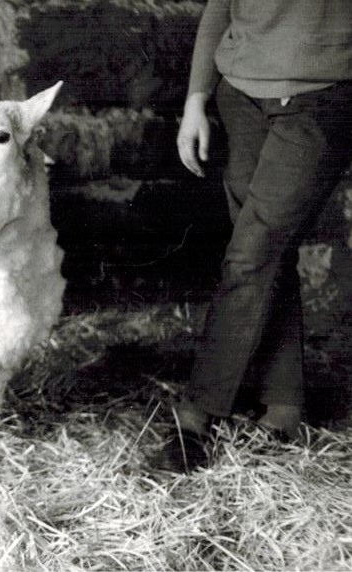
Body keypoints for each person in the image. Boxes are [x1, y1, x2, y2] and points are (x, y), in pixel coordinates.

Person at [151, 0, 352, 473]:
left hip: (322, 98)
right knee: (264, 252)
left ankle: (196, 415)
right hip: (239, 96)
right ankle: (284, 406)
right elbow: (220, 8)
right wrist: (195, 100)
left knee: (251, 254)